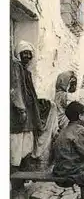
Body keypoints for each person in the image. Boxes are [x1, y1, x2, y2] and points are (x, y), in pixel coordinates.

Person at [10, 41, 58, 171]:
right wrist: (21, 108)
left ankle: (24, 167)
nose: (26, 56)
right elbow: (16, 91)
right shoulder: (16, 68)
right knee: (18, 139)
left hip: (28, 111)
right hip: (19, 111)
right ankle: (16, 170)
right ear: (18, 54)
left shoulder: (26, 71)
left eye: (29, 53)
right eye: (23, 53)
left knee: (27, 139)